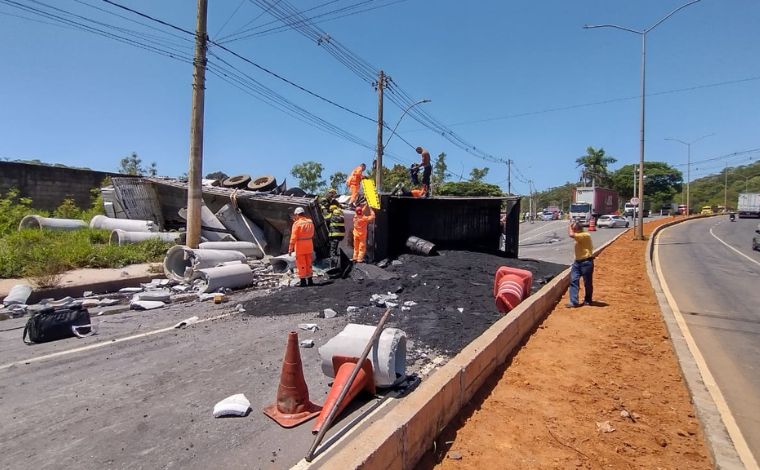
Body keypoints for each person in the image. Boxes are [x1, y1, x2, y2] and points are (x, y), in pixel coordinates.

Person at [567, 219, 594, 307]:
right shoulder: (579, 236)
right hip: (577, 262)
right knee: (574, 280)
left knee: (587, 283)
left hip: (586, 262)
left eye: (574, 229)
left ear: (578, 229)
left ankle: (588, 300)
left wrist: (569, 226)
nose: (573, 231)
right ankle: (573, 301)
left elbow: (571, 234)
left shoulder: (585, 235)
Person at [288, 207, 315, 287]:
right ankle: (310, 280)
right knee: (308, 262)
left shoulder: (296, 224)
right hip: (309, 245)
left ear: (297, 214)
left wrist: (290, 248)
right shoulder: (310, 222)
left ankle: (303, 281)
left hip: (300, 246)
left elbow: (293, 237)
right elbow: (312, 233)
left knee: (301, 264)